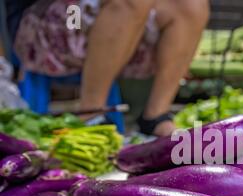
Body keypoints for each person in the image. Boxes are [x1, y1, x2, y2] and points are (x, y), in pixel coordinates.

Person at [5, 0, 209, 136]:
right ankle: (91, 115)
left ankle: (155, 117)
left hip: (113, 19)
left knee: (191, 5)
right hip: (60, 16)